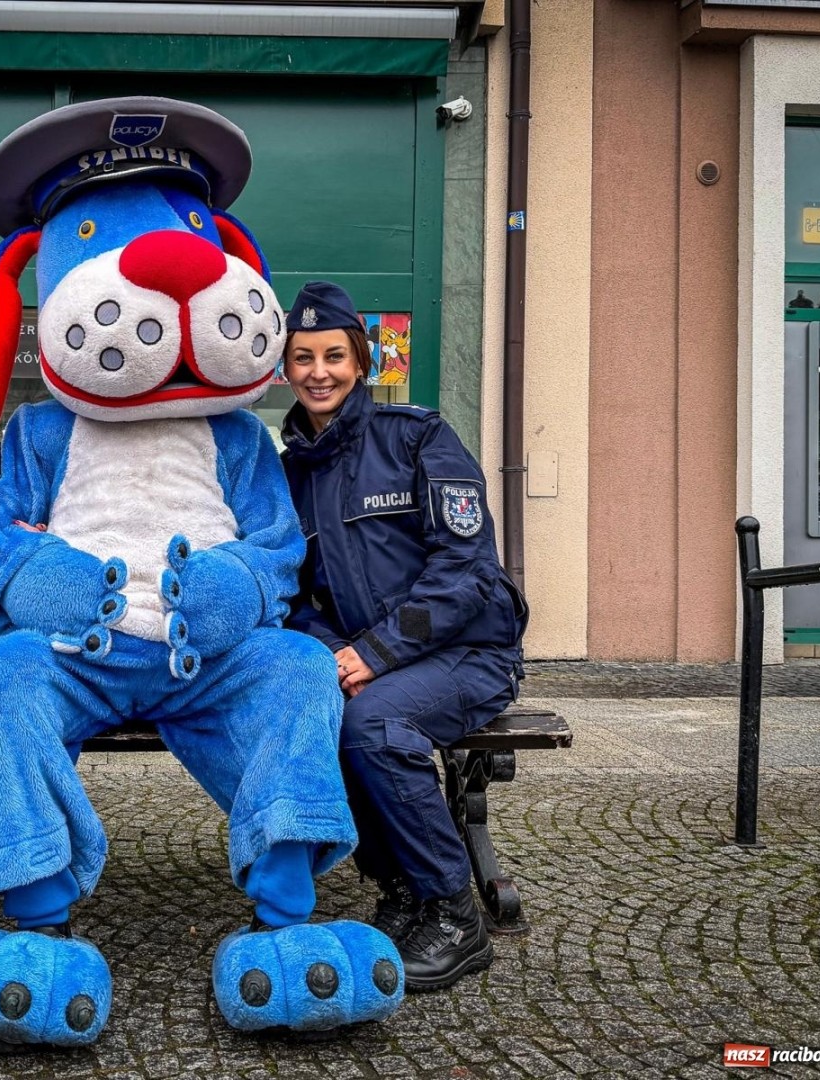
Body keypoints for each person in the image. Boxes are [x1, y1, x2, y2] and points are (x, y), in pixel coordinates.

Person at [278, 281, 529, 994]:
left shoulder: (417, 436)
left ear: (361, 362)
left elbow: (465, 569)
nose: (318, 371)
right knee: (322, 710)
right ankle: (400, 891)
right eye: (303, 358)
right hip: (370, 661)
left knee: (374, 725)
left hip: (469, 653)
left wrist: (375, 654)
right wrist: (326, 653)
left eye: (333, 355)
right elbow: (298, 592)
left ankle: (455, 914)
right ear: (286, 370)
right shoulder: (289, 472)